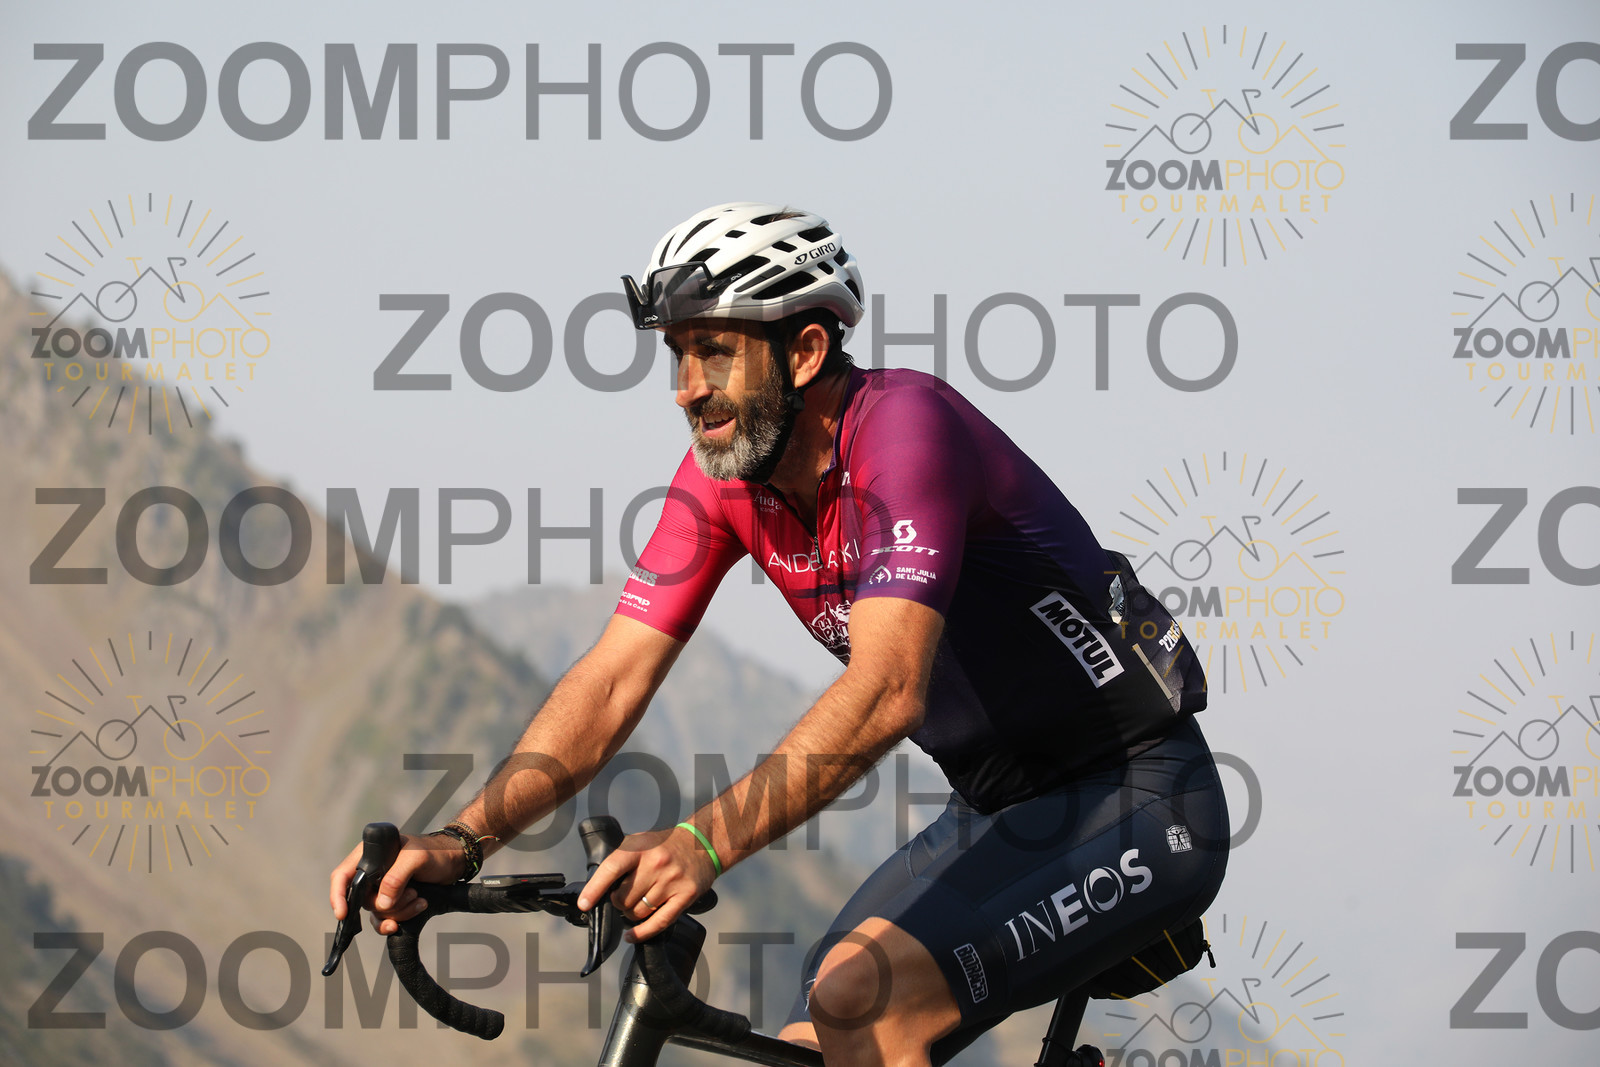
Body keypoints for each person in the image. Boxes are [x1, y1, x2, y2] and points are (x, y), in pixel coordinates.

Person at [331, 202, 1228, 1067]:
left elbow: (887, 689)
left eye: (714, 352)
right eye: (678, 354)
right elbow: (611, 679)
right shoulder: (723, 481)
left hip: (1138, 792)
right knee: (810, 1036)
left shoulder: (906, 431)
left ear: (804, 351)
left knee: (860, 1000)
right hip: (992, 807)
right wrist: (465, 839)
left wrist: (703, 843)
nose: (687, 388)